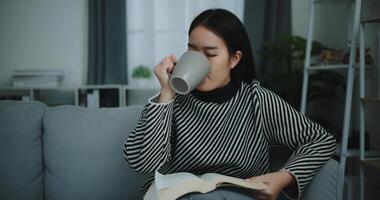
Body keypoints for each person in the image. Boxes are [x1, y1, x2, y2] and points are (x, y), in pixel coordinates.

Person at [123, 8, 336, 200]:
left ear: (234, 59)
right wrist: (167, 93)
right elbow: (145, 164)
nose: (199, 60)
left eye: (210, 53)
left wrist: (284, 177)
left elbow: (320, 139)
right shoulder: (171, 101)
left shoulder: (257, 100)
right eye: (192, 51)